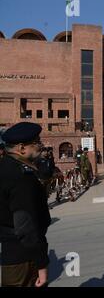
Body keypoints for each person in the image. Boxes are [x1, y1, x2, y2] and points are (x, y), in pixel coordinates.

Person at [0, 122, 51, 287]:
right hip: (23, 258)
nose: (40, 146)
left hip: (11, 251)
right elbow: (25, 227)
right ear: (21, 148)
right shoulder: (21, 177)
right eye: (36, 142)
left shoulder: (5, 167)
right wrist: (42, 265)